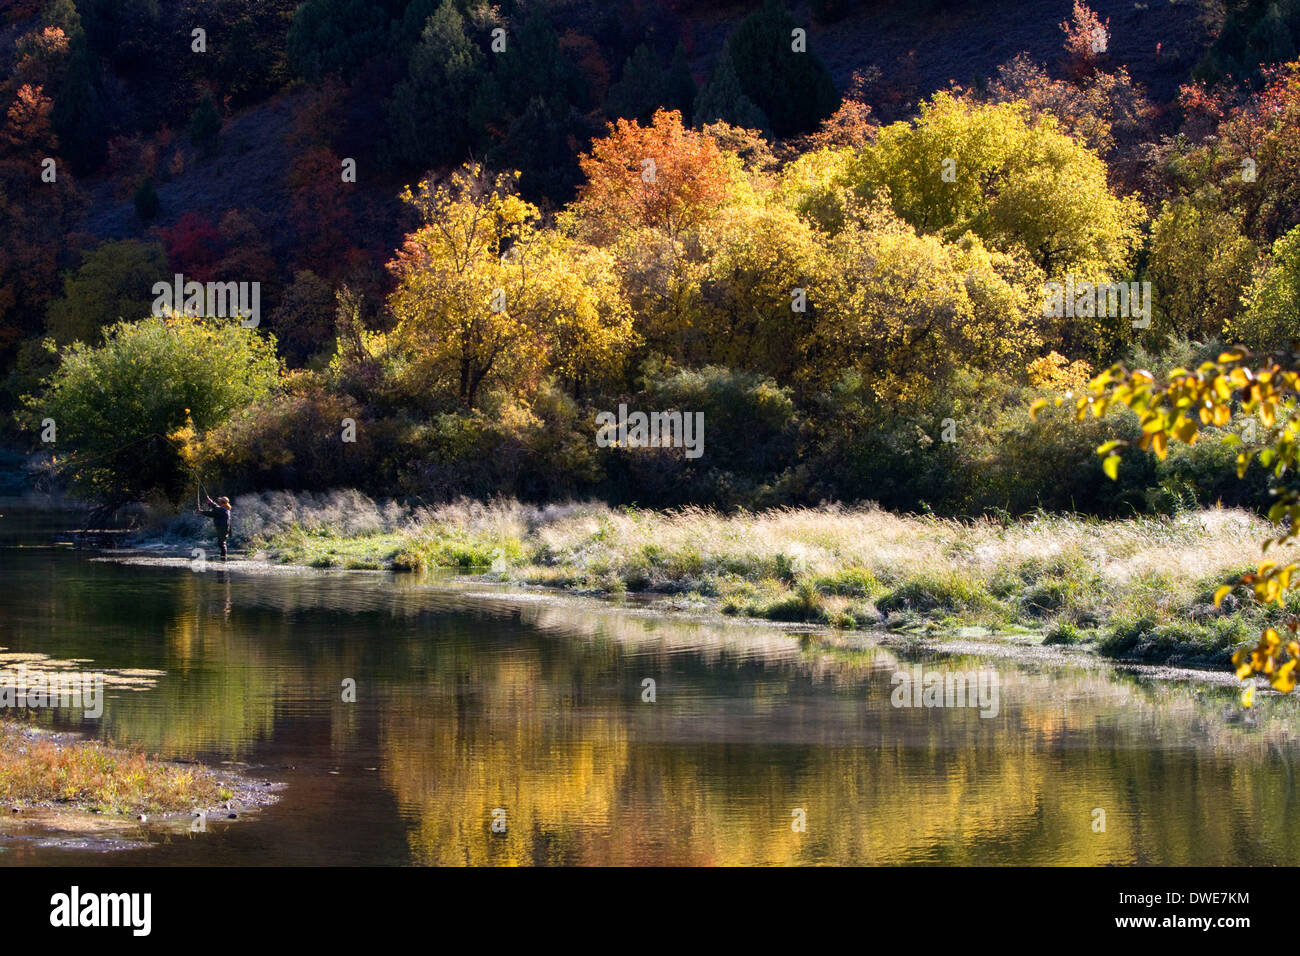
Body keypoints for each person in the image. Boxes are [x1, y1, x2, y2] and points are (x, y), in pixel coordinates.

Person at [198, 494, 232, 560]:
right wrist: (202, 512)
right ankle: (223, 557)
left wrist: (210, 502)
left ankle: (223, 558)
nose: (219, 501)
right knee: (221, 543)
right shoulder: (223, 508)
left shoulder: (223, 509)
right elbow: (213, 513)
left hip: (223, 528)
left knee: (222, 543)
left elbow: (215, 509)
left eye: (220, 501)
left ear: (222, 502)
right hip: (222, 528)